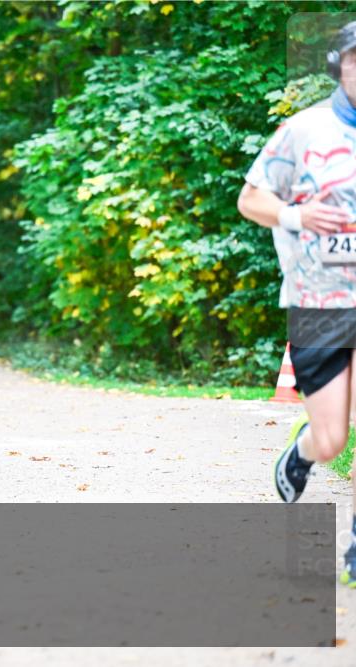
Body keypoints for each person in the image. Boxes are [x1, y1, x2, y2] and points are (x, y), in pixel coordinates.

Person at [236, 21, 356, 587]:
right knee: (333, 439)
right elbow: (251, 198)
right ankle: (302, 454)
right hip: (319, 301)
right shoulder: (304, 130)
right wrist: (298, 215)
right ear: (339, 66)